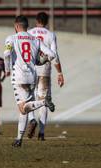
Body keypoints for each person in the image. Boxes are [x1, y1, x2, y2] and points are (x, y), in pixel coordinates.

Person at [4, 15, 56, 147]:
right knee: (24, 109)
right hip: (32, 77)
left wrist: (7, 69)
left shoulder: (11, 38)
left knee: (23, 108)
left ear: (16, 26)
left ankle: (43, 102)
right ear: (26, 26)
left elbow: (6, 54)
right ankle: (18, 140)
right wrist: (40, 61)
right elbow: (52, 54)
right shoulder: (35, 40)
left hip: (19, 77)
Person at [27, 12, 65, 141]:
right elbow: (54, 54)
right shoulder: (50, 35)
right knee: (44, 101)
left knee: (29, 98)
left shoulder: (29, 33)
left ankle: (32, 119)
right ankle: (41, 133)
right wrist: (59, 73)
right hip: (45, 71)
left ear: (36, 20)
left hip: (30, 70)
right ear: (47, 22)